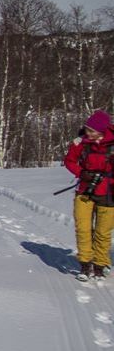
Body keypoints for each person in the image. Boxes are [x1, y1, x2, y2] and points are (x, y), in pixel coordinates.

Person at [63, 110, 114, 281]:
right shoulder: (80, 144)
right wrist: (81, 172)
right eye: (87, 130)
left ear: (102, 130)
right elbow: (69, 161)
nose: (88, 133)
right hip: (84, 191)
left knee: (103, 232)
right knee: (83, 228)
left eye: (91, 131)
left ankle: (100, 264)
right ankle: (85, 264)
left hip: (108, 193)